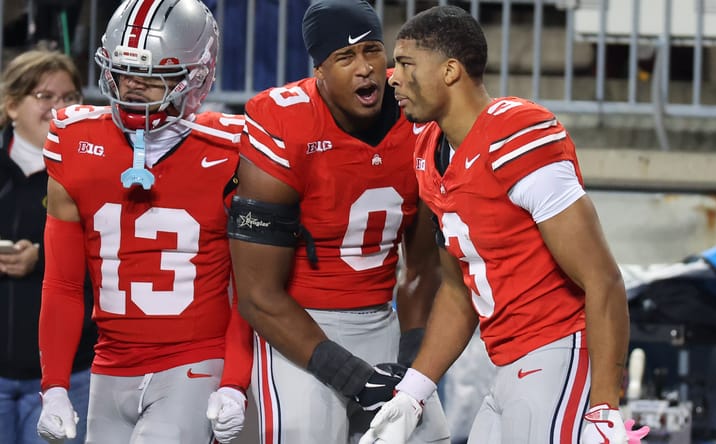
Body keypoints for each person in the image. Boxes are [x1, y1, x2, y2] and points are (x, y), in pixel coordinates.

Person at [362, 5, 650, 444]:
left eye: (405, 63)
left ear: (451, 71)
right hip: (509, 361)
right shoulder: (428, 150)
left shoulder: (518, 135)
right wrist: (413, 391)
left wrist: (605, 406)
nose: (392, 77)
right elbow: (459, 291)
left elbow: (603, 278)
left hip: (558, 351)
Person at [228, 0, 450, 442]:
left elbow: (423, 268)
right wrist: (350, 376)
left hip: (383, 322)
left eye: (372, 51)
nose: (365, 68)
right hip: (300, 330)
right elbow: (257, 295)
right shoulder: (283, 123)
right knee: (306, 431)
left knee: (427, 436)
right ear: (319, 72)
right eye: (345, 58)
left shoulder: (419, 115)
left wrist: (408, 365)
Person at [35, 1, 251, 442]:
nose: (132, 86)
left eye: (153, 75)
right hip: (109, 364)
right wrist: (55, 386)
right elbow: (61, 283)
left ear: (196, 75)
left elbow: (248, 289)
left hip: (192, 361)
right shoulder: (74, 142)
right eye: (123, 70)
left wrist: (234, 380)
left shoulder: (233, 151)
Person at [0, 49, 96, 444]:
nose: (59, 108)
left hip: (71, 378)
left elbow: (120, 259)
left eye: (70, 97)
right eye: (45, 97)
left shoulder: (92, 175)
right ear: (11, 105)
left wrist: (44, 259)